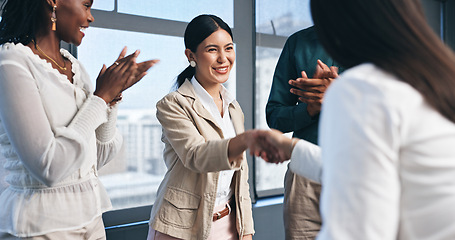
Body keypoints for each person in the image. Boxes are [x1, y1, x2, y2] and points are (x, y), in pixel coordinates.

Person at [253, 0, 455, 239]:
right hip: (314, 175)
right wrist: (309, 112)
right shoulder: (439, 74)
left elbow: (359, 228)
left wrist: (338, 94)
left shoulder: (360, 87)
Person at [0, 0, 158, 239]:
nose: (91, 17)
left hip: (91, 221)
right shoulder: (12, 63)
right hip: (40, 226)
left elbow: (97, 158)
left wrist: (110, 99)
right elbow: (49, 167)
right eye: (86, 5)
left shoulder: (76, 68)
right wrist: (101, 97)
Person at [147, 14, 261, 240]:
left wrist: (246, 231)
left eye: (228, 48)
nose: (223, 58)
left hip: (229, 225)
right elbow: (195, 155)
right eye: (212, 50)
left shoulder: (233, 108)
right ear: (191, 56)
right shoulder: (173, 104)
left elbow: (242, 178)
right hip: (181, 228)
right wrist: (242, 142)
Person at [265, 25, 339, 239]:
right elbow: (275, 116)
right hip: (304, 178)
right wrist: (309, 109)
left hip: (361, 175)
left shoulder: (380, 43)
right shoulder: (297, 43)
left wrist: (342, 94)